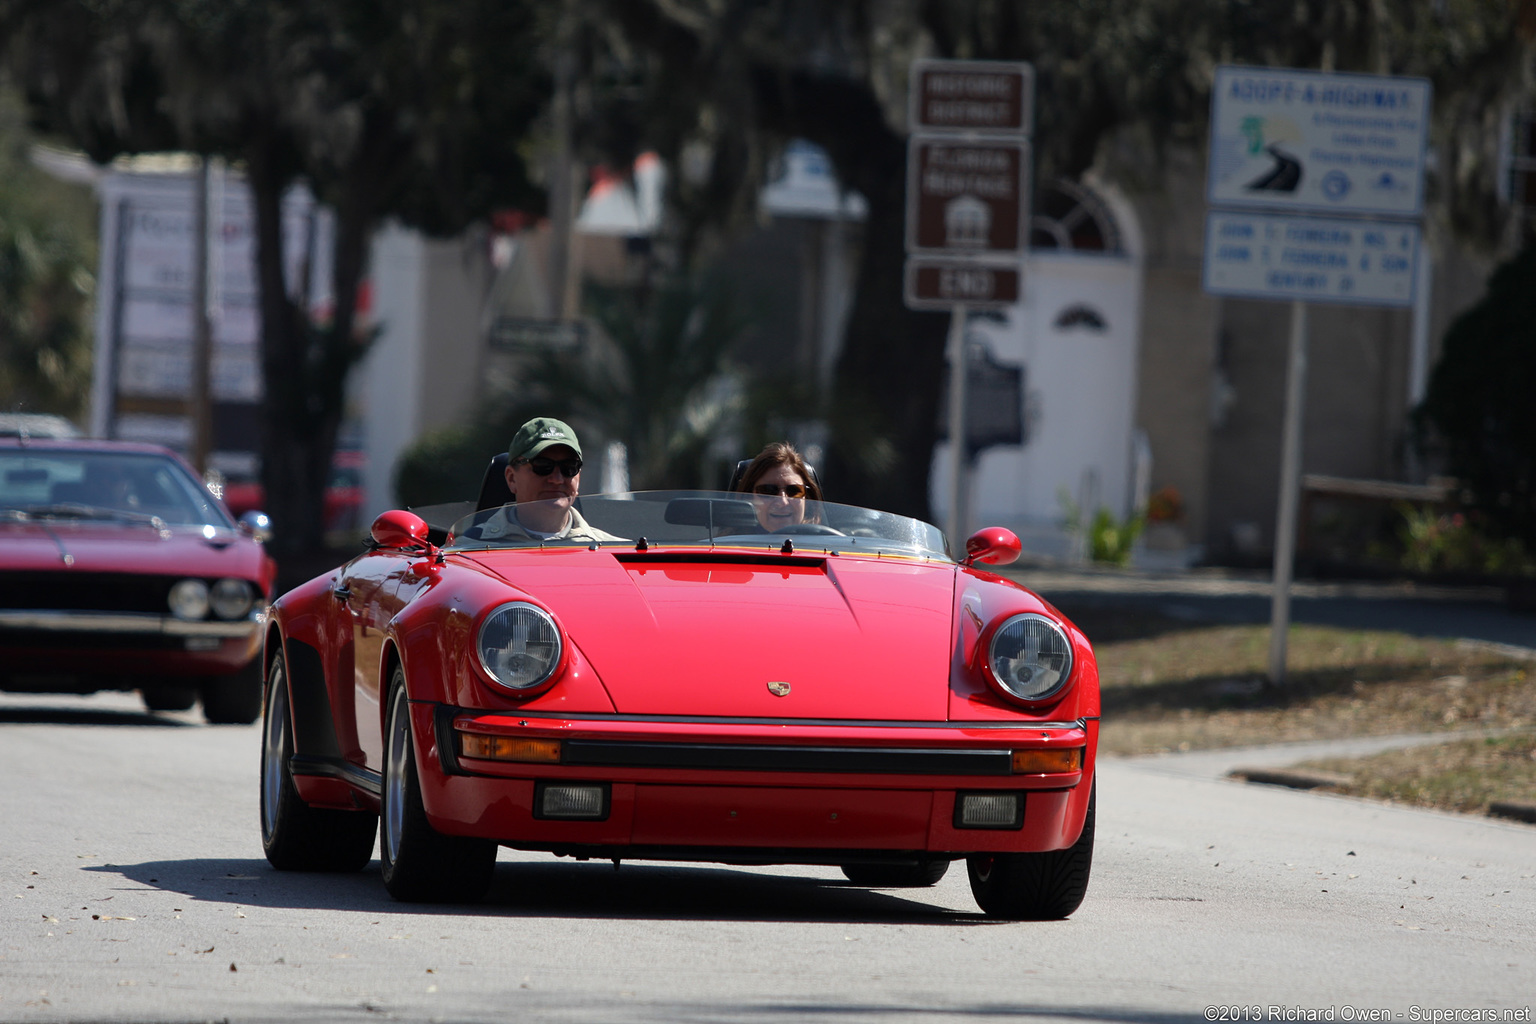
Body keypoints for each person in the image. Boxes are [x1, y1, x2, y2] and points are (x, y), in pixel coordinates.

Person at [476, 417, 622, 543]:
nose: (557, 479)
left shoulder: (613, 554)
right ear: (512, 478)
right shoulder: (465, 555)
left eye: (569, 467)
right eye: (543, 465)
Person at [734, 441, 823, 532]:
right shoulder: (725, 546)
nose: (782, 502)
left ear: (807, 499)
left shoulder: (827, 545)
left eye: (794, 491)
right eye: (768, 491)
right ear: (749, 498)